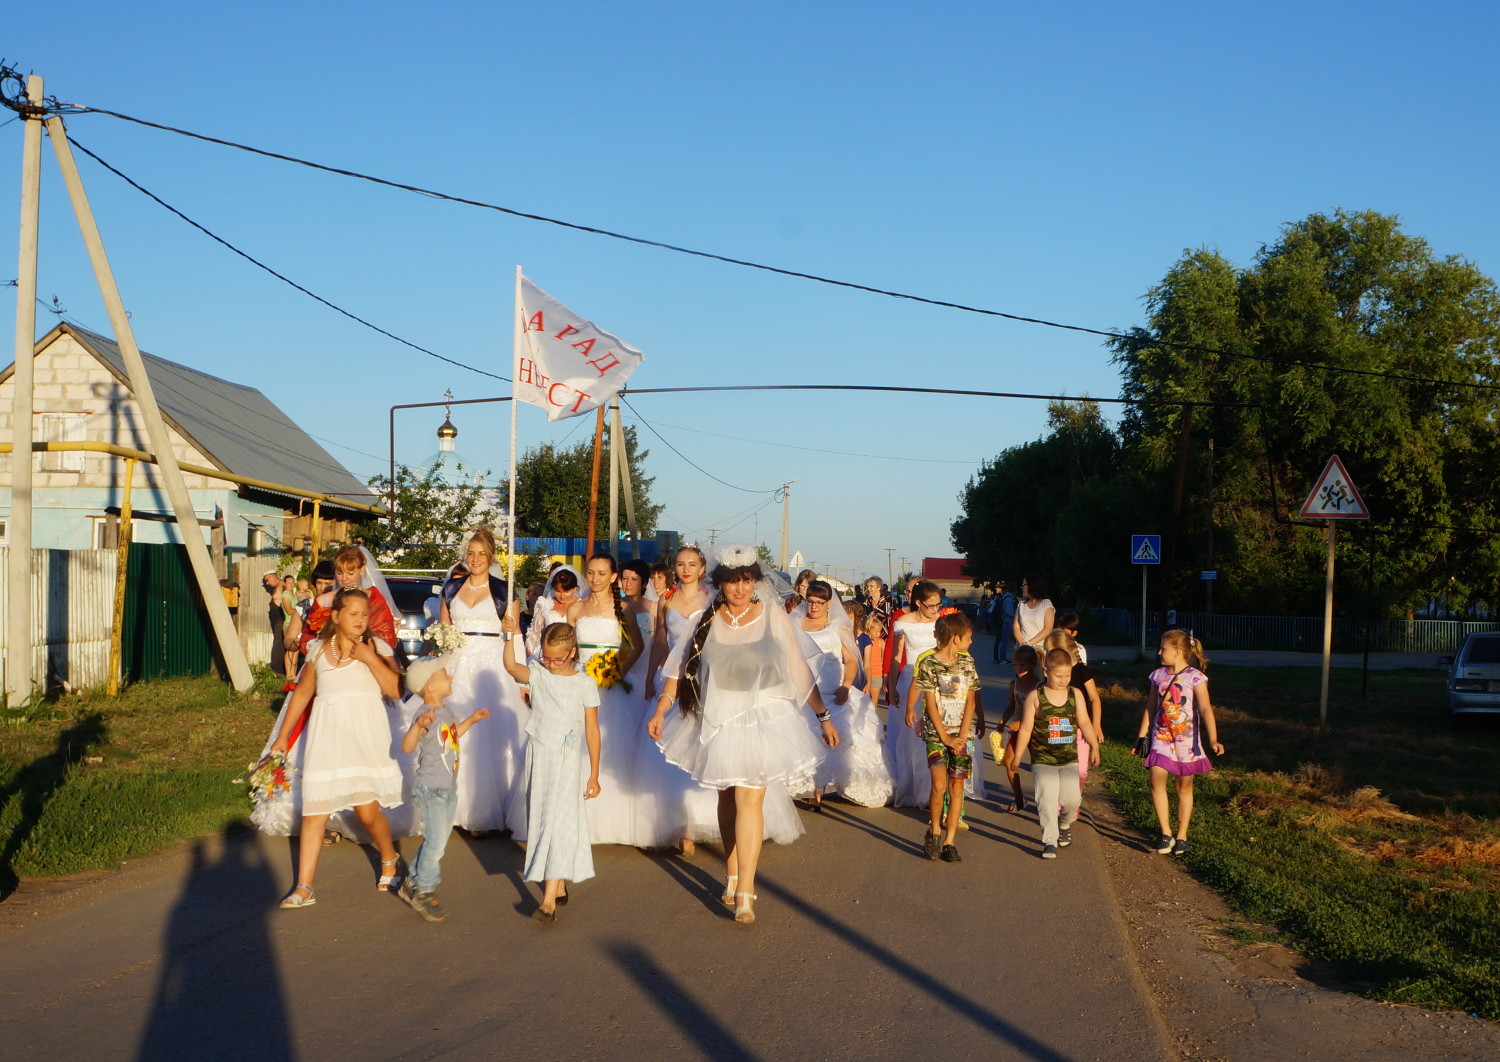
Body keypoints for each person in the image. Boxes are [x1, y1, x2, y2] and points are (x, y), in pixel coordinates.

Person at [648, 546, 838, 925]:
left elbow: (799, 670)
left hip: (763, 719)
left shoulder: (773, 617)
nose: (739, 588)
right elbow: (679, 668)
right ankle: (732, 874)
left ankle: (747, 891)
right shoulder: (706, 618)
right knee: (728, 801)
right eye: (732, 580)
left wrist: (823, 715)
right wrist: (661, 708)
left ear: (755, 582)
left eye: (746, 580)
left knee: (750, 801)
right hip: (717, 719)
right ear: (719, 583)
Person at [266, 587, 405, 908]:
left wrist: (369, 658)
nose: (360, 620)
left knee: (367, 813)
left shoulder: (375, 646)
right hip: (325, 740)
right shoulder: (317, 650)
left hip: (362, 740)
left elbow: (397, 691)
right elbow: (302, 695)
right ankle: (304, 886)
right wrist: (282, 738)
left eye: (364, 614)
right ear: (336, 617)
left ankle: (388, 856)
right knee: (314, 811)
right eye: (353, 614)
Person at [501, 621, 602, 921]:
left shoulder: (585, 683)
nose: (552, 663)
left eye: (558, 658)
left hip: (567, 758)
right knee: (542, 818)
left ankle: (548, 901)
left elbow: (593, 730)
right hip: (540, 757)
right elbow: (510, 666)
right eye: (547, 657)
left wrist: (594, 773)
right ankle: (557, 883)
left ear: (572, 652)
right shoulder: (539, 676)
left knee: (559, 820)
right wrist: (510, 634)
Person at [437, 527, 529, 836]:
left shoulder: (505, 591)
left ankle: (484, 810)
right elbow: (443, 631)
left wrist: (520, 679)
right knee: (453, 730)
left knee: (488, 736)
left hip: (492, 666)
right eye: (471, 553)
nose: (475, 559)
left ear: (490, 558)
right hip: (457, 665)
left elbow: (515, 635)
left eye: (481, 554)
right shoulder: (451, 589)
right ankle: (449, 805)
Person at [396, 656, 491, 922]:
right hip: (431, 788)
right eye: (444, 675)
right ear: (429, 687)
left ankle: (411, 883)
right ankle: (423, 891)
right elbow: (407, 747)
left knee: (438, 842)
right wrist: (417, 726)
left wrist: (472, 720)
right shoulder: (424, 713)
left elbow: (451, 737)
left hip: (448, 787)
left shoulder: (446, 712)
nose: (450, 678)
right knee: (436, 843)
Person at [566, 553, 647, 846]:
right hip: (581, 681)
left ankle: (614, 818)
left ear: (613, 577)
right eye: (591, 573)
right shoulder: (575, 609)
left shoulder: (624, 608)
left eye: (602, 573)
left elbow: (637, 646)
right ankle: (578, 814)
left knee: (614, 747)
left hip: (612, 686)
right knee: (577, 746)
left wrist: (617, 671)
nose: (595, 578)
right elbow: (569, 648)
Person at [793, 580, 893, 809]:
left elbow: (851, 661)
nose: (814, 606)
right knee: (806, 736)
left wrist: (846, 686)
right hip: (804, 690)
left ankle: (822, 788)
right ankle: (812, 790)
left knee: (838, 738)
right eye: (810, 601)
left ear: (829, 603)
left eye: (819, 602)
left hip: (834, 689)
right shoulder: (795, 623)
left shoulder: (839, 626)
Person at [1133, 630, 1223, 857]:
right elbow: (1150, 708)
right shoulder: (1157, 676)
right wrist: (1142, 736)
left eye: (1163, 648)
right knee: (1156, 779)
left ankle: (1182, 835)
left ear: (1179, 652)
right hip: (1161, 738)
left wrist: (1213, 739)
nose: (1160, 652)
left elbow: (1205, 709)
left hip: (1187, 742)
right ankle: (1165, 832)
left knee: (1184, 787)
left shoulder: (1195, 678)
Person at [1016, 647, 1101, 859]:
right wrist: (1017, 757)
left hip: (1068, 758)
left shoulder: (1075, 695)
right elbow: (1026, 728)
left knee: (1072, 800)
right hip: (1043, 759)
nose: (1063, 680)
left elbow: (1084, 723)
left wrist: (1094, 746)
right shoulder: (1036, 697)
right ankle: (1049, 841)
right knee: (1046, 799)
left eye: (1067, 675)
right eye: (1058, 676)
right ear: (1046, 672)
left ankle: (1064, 824)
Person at [915, 612, 980, 862]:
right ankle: (935, 830)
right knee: (939, 785)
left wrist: (962, 736)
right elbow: (930, 704)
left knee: (957, 786)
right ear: (955, 638)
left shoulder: (968, 664)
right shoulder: (929, 664)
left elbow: (971, 701)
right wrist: (945, 737)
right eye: (969, 637)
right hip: (936, 735)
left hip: (962, 735)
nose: (971, 642)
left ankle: (950, 841)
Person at [885, 581, 945, 807]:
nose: (935, 610)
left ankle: (934, 788)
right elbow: (896, 657)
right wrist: (892, 684)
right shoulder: (903, 623)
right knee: (910, 735)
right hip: (910, 677)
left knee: (933, 732)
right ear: (918, 603)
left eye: (939, 604)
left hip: (936, 681)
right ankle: (914, 786)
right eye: (930, 606)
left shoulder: (941, 622)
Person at [1044, 627, 1104, 785]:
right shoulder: (1052, 675)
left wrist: (1095, 724)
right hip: (1058, 728)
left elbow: (1094, 699)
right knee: (1060, 770)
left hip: (1080, 728)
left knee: (1081, 772)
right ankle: (1058, 806)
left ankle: (1073, 804)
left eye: (1051, 652)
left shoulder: (1082, 671)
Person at [997, 644, 1040, 813]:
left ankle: (1046, 798)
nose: (1018, 668)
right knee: (1009, 762)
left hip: (1036, 731)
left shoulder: (1039, 687)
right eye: (1016, 664)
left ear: (1032, 665)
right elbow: (1011, 705)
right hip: (1018, 731)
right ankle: (1019, 798)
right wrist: (1001, 722)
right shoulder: (1013, 684)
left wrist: (1022, 723)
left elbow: (1040, 715)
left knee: (1039, 767)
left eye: (1022, 665)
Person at [1012, 573, 1054, 651]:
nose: (1021, 587)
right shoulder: (1021, 604)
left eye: (1023, 585)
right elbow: (1016, 627)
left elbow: (1047, 629)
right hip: (1022, 648)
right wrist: (1022, 644)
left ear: (1031, 586)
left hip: (1040, 649)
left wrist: (1029, 644)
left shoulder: (1046, 604)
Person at [859, 613, 887, 703]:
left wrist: (885, 675)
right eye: (876, 632)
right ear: (869, 630)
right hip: (864, 674)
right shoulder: (863, 641)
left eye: (880, 631)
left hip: (876, 674)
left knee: (873, 702)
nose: (879, 634)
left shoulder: (881, 642)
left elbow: (884, 659)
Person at [992, 580, 1018, 665]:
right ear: (1014, 590)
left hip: (1001, 620)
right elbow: (1008, 612)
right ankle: (1003, 659)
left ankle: (997, 657)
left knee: (999, 640)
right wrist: (1015, 616)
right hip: (1006, 621)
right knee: (1004, 640)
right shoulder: (1009, 599)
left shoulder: (1003, 597)